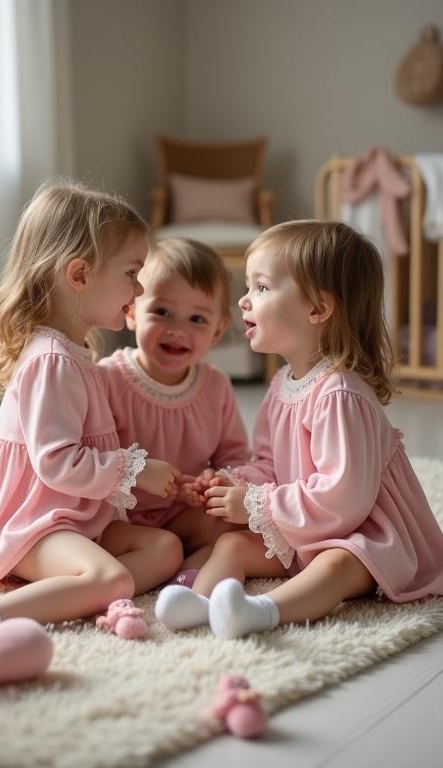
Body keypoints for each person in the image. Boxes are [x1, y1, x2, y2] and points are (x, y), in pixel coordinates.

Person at [155, 220, 443, 636]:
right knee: (232, 543)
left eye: (262, 288)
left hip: (365, 533)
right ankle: (200, 603)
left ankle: (261, 612)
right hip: (305, 524)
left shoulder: (340, 394)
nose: (243, 302)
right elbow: (270, 464)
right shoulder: (283, 384)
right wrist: (234, 484)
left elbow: (344, 501)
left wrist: (259, 505)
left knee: (341, 562)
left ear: (317, 309)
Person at [0, 180, 185, 644]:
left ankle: (74, 588)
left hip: (68, 514)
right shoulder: (52, 360)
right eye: (131, 272)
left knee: (165, 549)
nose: (140, 286)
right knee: (115, 580)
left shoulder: (74, 351)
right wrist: (136, 470)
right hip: (29, 521)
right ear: (79, 275)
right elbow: (56, 463)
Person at [97, 238, 250, 579]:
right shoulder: (108, 379)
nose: (178, 330)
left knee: (240, 525)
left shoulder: (216, 386)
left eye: (197, 319)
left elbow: (235, 455)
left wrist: (220, 479)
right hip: (117, 520)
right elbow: (89, 457)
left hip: (181, 514)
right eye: (162, 312)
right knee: (160, 547)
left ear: (218, 331)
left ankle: (185, 579)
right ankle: (123, 577)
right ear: (132, 312)